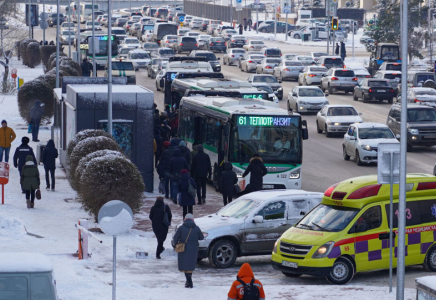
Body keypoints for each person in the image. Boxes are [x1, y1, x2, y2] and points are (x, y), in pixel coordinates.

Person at [172, 213, 204, 288]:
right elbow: (201, 237)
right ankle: (188, 281)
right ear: (193, 220)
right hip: (194, 249)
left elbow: (175, 238)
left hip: (183, 248)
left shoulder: (181, 228)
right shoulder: (196, 228)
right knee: (190, 265)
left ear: (185, 220)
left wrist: (175, 245)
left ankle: (189, 282)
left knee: (185, 265)